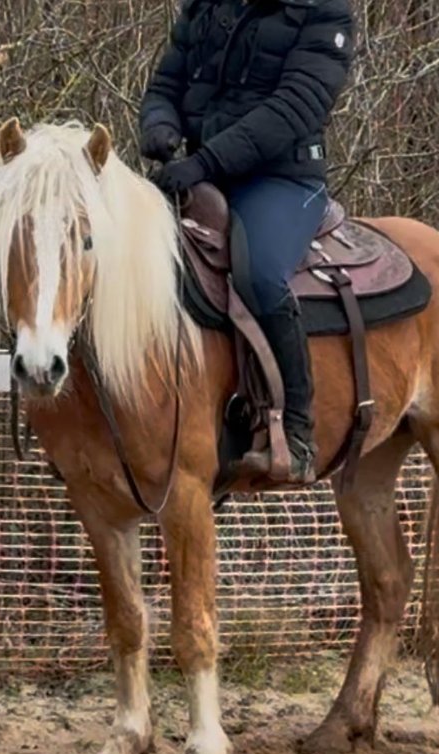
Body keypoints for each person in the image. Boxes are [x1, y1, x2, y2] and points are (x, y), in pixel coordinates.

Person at [139, 0, 355, 483]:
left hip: (281, 179)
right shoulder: (208, 6)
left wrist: (204, 162)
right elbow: (167, 83)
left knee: (259, 274)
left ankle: (298, 433)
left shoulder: (325, 13)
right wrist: (159, 125)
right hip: (201, 174)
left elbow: (294, 108)